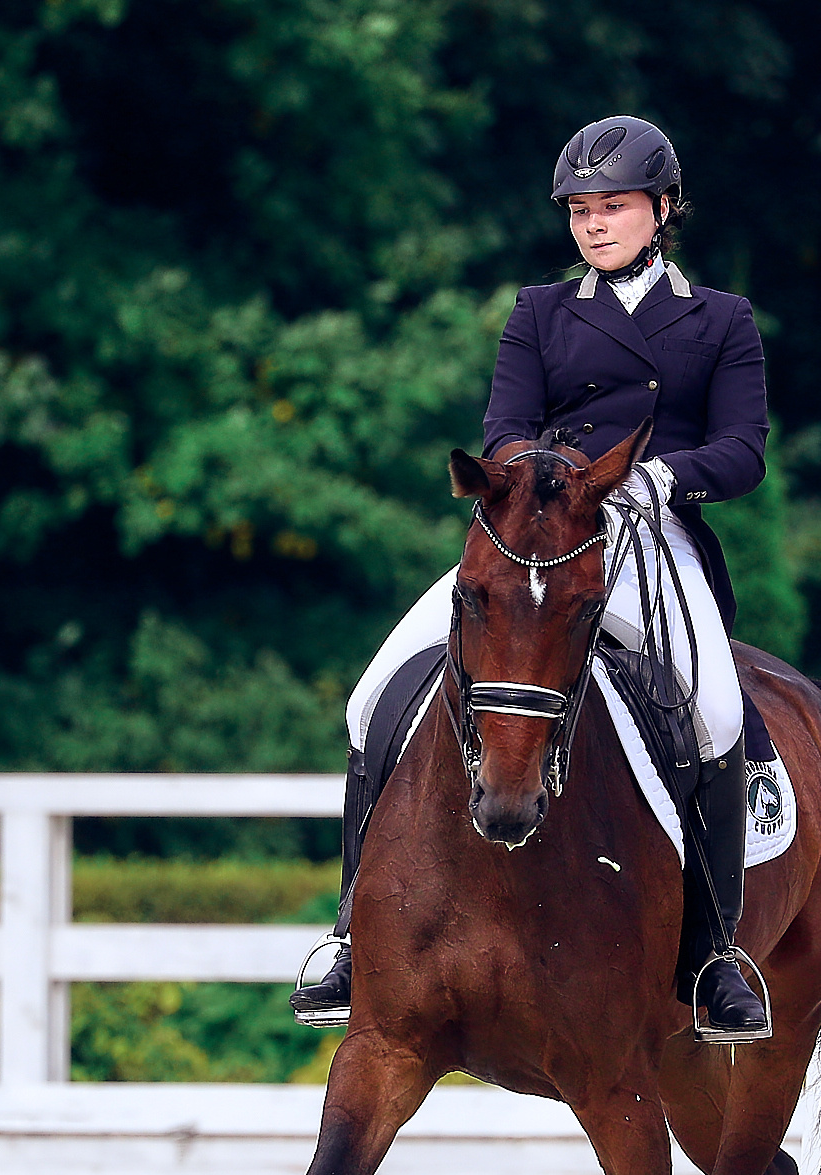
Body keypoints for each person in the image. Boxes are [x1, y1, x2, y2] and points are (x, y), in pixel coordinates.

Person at [291, 114, 771, 1044]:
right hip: (536, 529)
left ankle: (714, 956)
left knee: (714, 712)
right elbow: (503, 423)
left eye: (616, 208)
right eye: (581, 211)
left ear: (662, 209)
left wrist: (661, 478)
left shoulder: (721, 319)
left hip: (651, 531)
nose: (595, 225)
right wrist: (542, 477)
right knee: (367, 699)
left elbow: (744, 449)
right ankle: (351, 933)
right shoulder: (540, 311)